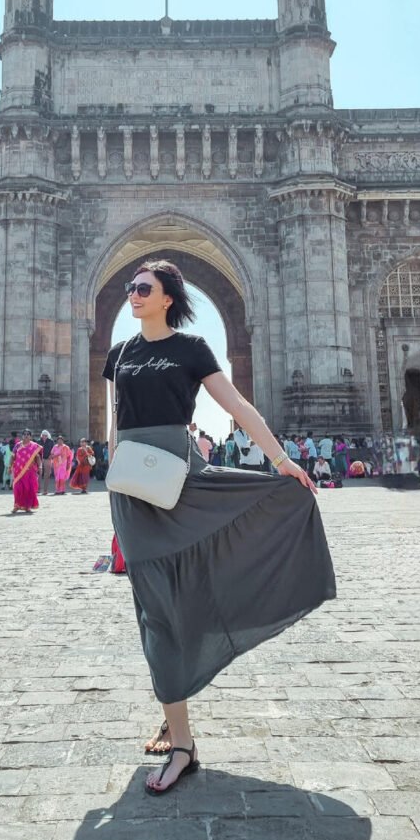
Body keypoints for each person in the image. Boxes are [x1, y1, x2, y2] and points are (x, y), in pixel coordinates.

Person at [103, 259, 335, 795]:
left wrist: (281, 461)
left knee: (182, 599)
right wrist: (114, 485)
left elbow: (234, 403)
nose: (132, 296)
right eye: (129, 289)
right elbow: (115, 424)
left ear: (167, 298)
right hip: (136, 489)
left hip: (183, 479)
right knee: (154, 608)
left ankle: (177, 722)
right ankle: (180, 729)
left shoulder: (191, 349)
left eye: (142, 289)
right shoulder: (118, 354)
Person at [9, 429, 41, 513]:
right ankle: (16, 505)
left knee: (29, 488)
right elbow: (13, 456)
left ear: (30, 436)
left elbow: (37, 457)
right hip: (18, 471)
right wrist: (10, 467)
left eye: (28, 434)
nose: (26, 435)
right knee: (17, 488)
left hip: (30, 471)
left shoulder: (34, 446)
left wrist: (40, 467)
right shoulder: (17, 445)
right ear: (22, 436)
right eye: (24, 434)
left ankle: (27, 506)